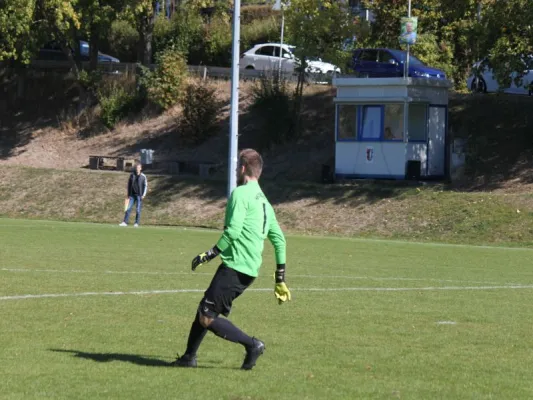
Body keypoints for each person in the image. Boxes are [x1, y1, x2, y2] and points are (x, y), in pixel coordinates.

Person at [173, 149, 291, 370]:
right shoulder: (265, 201)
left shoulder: (241, 193)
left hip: (235, 267)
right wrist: (280, 278)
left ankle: (253, 345)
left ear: (243, 168)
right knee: (204, 309)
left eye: (238, 166)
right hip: (249, 270)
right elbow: (279, 240)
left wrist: (209, 254)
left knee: (206, 317)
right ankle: (189, 357)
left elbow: (233, 232)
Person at [120, 162, 147, 227]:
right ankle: (125, 222)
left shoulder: (143, 176)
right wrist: (128, 194)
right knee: (128, 208)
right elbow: (129, 185)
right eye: (136, 168)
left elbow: (145, 186)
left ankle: (136, 223)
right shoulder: (132, 175)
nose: (137, 169)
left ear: (141, 168)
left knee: (138, 210)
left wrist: (143, 195)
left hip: (139, 195)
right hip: (132, 195)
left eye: (138, 168)